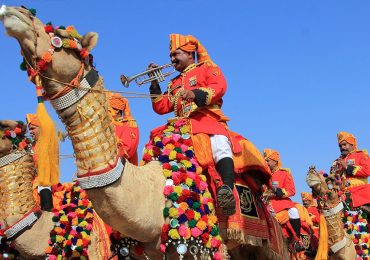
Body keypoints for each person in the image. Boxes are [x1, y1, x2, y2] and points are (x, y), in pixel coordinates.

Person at [148, 34, 236, 215]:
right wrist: (154, 82)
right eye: (171, 55)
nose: (172, 59)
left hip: (207, 119)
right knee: (155, 148)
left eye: (176, 54)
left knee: (219, 143)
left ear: (189, 53)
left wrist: (195, 94)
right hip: (181, 127)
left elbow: (220, 86)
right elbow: (161, 106)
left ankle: (226, 189)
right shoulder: (174, 82)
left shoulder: (206, 68)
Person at [263, 148, 304, 251]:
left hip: (282, 202)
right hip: (266, 202)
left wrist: (279, 192)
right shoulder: (264, 175)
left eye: (267, 160)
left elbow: (292, 190)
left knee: (294, 211)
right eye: (265, 160)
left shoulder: (284, 173)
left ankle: (297, 241)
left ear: (275, 161)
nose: (266, 163)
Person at [331, 132, 370, 209]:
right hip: (342, 195)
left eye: (344, 144)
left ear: (352, 144)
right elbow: (333, 180)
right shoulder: (337, 162)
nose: (342, 147)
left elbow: (367, 170)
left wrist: (347, 167)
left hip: (360, 193)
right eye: (340, 146)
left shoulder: (361, 154)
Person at [26, 113, 53, 211]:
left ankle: (47, 211)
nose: (31, 132)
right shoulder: (29, 146)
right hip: (30, 184)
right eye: (30, 129)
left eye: (33, 128)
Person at [106, 92, 140, 165]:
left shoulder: (130, 125)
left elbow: (127, 150)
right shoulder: (106, 126)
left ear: (117, 110)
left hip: (123, 169)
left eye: (108, 109)